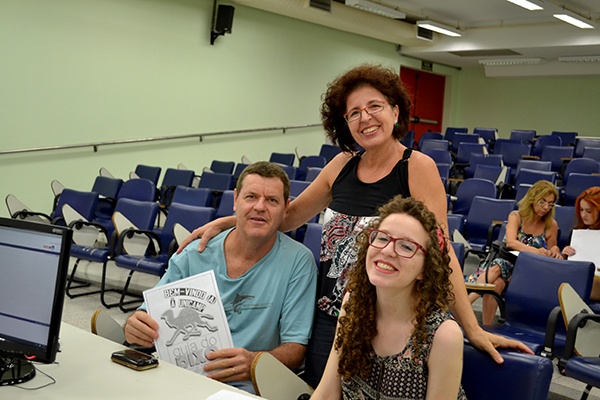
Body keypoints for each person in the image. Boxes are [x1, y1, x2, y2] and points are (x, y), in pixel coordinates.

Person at [179, 64, 531, 388]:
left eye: (375, 106)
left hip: (386, 323)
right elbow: (286, 217)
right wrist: (228, 220)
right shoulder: (341, 165)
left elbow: (439, 249)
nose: (365, 118)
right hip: (331, 317)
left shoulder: (416, 168)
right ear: (344, 123)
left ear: (395, 112)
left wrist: (472, 327)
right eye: (354, 113)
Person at [124, 162, 317, 394]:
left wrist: (254, 362)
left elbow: (296, 348)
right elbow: (146, 316)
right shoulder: (194, 253)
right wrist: (135, 326)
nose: (260, 207)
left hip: (246, 385)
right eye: (251, 197)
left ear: (286, 208)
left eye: (272, 200)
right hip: (179, 376)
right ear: (235, 200)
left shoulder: (298, 262)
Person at [311, 196, 467, 400]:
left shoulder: (444, 334)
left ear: (424, 269)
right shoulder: (353, 301)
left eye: (406, 247)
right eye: (382, 238)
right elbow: (326, 393)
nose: (387, 251)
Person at [467, 180, 562, 324]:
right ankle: (487, 327)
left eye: (550, 204)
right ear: (533, 198)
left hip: (526, 269)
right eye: (542, 201)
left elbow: (552, 249)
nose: (546, 207)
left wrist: (555, 250)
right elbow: (510, 243)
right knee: (497, 280)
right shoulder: (516, 216)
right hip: (505, 259)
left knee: (498, 269)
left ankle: (464, 305)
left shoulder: (551, 225)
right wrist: (535, 251)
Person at [562, 186, 600, 301]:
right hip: (577, 275)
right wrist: (564, 255)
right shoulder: (577, 232)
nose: (583, 215)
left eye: (589, 211)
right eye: (581, 210)